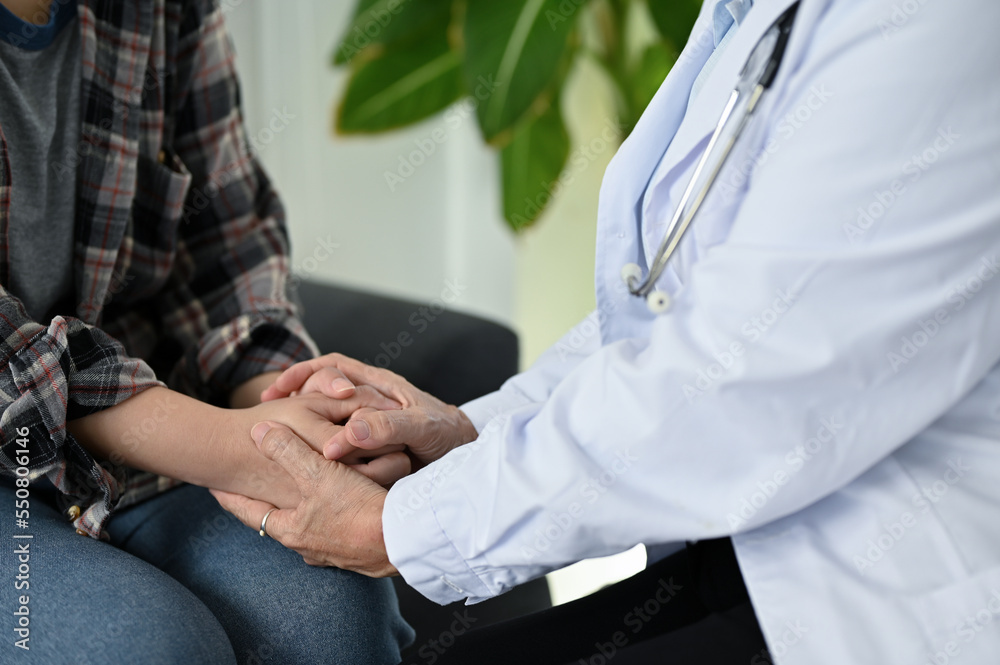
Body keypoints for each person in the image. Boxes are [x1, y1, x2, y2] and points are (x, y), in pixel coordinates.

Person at [212, 0, 1000, 663]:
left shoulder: (935, 26)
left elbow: (746, 383)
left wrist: (402, 526)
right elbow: (682, 310)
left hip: (901, 590)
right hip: (772, 545)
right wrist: (472, 434)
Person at [0, 0, 413, 663]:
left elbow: (228, 248)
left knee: (335, 622)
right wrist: (242, 448)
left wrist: (298, 418)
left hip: (139, 451)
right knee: (152, 647)